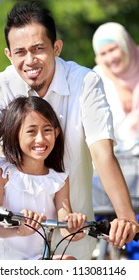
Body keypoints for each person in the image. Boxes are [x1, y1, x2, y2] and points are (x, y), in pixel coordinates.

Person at [0, 1, 138, 260]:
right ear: (9, 55)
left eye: (38, 49)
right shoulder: (1, 85)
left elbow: (102, 152)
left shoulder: (85, 82)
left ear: (56, 48)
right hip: (8, 235)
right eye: (20, 52)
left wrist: (125, 216)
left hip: (70, 227)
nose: (30, 60)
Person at [0, 96, 86, 260]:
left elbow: (65, 227)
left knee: (69, 261)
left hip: (32, 256)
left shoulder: (59, 179)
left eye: (47, 130)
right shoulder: (1, 170)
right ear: (15, 134)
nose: (40, 139)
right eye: (31, 131)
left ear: (56, 133)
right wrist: (18, 230)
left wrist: (75, 225)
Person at [92, 22, 139, 259]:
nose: (110, 58)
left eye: (114, 49)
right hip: (108, 177)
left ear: (126, 45)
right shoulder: (96, 79)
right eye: (103, 53)